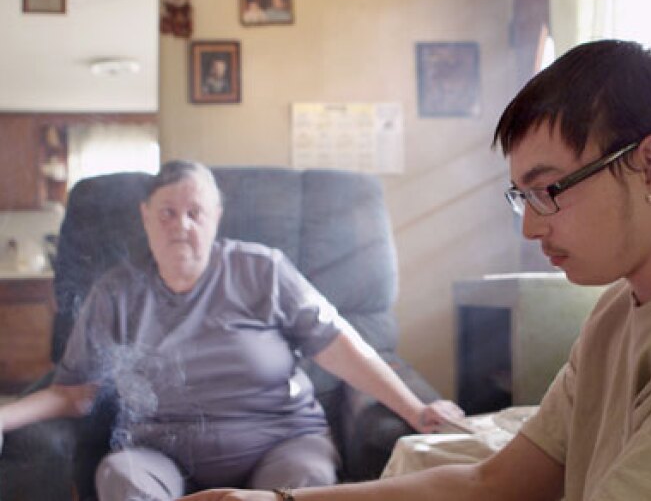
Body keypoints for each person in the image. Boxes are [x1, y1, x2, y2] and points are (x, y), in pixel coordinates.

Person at [180, 39, 651, 501]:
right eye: (522, 196)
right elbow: (495, 482)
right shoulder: (624, 305)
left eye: (549, 190)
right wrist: (276, 499)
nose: (530, 224)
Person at [0, 160, 463, 500]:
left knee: (304, 484)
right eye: (166, 212)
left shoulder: (262, 269)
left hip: (280, 443)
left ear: (216, 217)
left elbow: (339, 347)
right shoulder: (115, 292)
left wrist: (417, 409)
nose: (181, 223)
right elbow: (75, 392)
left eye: (195, 212)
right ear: (145, 217)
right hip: (160, 453)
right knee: (121, 478)